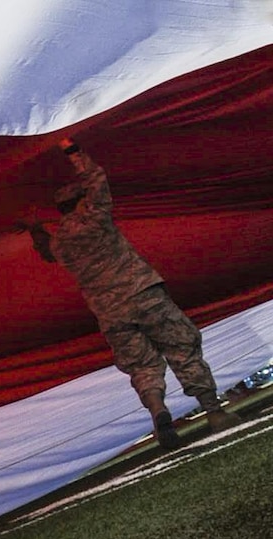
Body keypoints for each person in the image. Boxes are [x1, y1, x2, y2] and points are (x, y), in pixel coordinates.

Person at [23, 139, 238, 450]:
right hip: (144, 295)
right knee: (182, 348)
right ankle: (214, 413)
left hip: (111, 314)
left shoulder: (60, 242)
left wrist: (34, 227)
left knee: (142, 366)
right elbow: (97, 178)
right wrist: (73, 151)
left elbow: (45, 251)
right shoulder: (96, 218)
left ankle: (158, 410)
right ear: (82, 201)